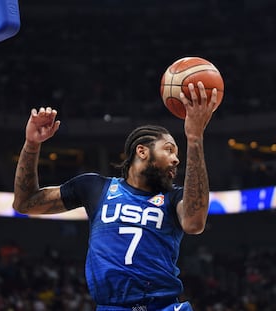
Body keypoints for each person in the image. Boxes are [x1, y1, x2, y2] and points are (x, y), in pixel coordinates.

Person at [13, 81, 218, 311]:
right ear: (142, 151)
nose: (175, 159)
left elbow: (194, 223)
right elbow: (25, 203)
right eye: (169, 149)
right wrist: (32, 145)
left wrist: (195, 137)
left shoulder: (173, 197)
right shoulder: (94, 188)